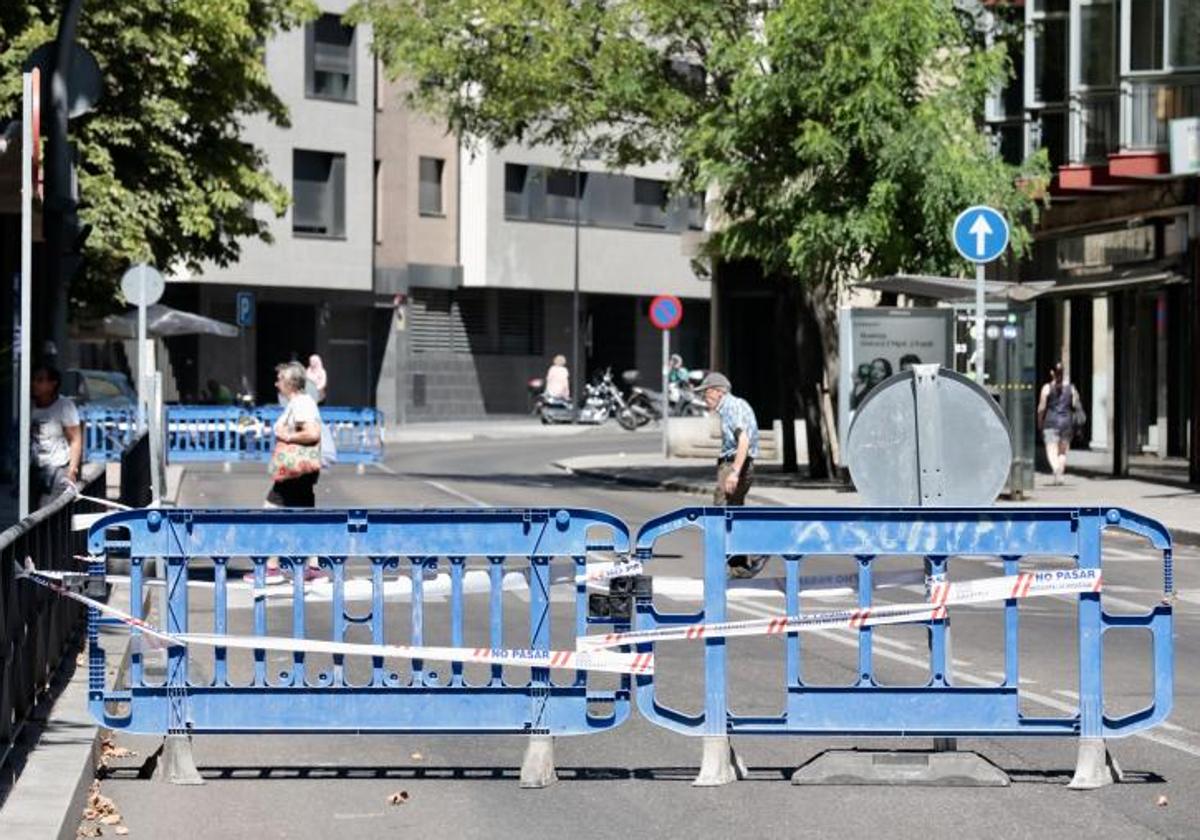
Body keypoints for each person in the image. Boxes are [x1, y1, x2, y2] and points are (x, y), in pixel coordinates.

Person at [251, 362, 325, 584]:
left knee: (271, 511)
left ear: (290, 383)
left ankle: (273, 569)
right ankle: (312, 567)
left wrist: (288, 436)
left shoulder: (302, 403)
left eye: (280, 379)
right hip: (299, 472)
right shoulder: (299, 402)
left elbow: (312, 433)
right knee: (304, 515)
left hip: (296, 471)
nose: (276, 383)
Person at [699, 372, 765, 578]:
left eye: (706, 393)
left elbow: (743, 440)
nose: (704, 398)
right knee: (734, 513)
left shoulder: (730, 407)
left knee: (720, 513)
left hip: (734, 463)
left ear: (718, 392)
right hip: (743, 463)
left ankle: (727, 562)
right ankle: (739, 564)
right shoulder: (738, 404)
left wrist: (734, 472)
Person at [29, 365, 82, 509]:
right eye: (34, 380)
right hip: (34, 468)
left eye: (40, 380)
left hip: (57, 469)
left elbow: (75, 439)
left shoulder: (64, 406)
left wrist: (72, 470)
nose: (35, 384)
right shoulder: (29, 405)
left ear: (53, 384)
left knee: (45, 512)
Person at [1037, 361, 1081, 486]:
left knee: (1051, 450)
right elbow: (1075, 404)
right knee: (1062, 452)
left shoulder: (1046, 388)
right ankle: (1060, 474)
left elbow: (1041, 408)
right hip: (1066, 423)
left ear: (1052, 372)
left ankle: (1056, 469)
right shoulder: (1071, 388)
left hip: (1051, 422)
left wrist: (1040, 422)